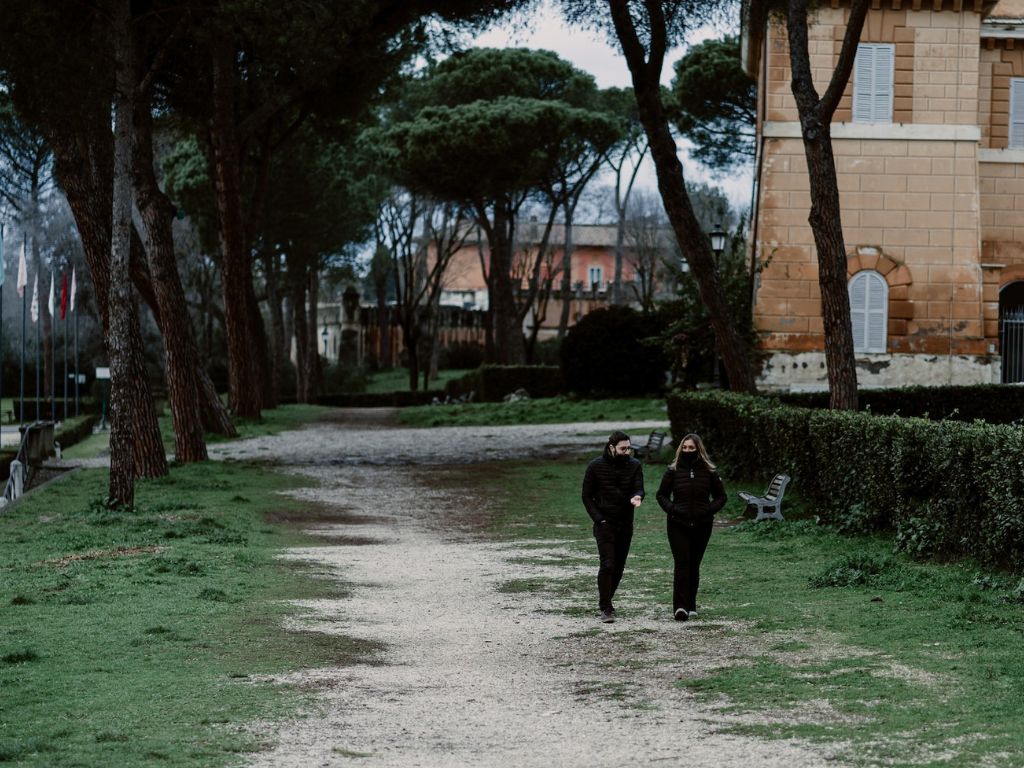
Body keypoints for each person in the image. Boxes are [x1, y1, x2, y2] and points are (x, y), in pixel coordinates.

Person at [655, 433, 726, 622]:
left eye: (691, 448)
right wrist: (672, 509)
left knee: (694, 564)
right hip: (678, 523)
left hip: (702, 524)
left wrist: (708, 510)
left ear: (698, 450)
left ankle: (691, 604)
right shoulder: (673, 470)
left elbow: (721, 497)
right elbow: (661, 495)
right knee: (682, 563)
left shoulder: (710, 472)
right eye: (684, 448)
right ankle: (680, 607)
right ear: (680, 450)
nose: (687, 451)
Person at [581, 430, 645, 623]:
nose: (627, 452)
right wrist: (598, 519)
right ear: (611, 447)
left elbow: (639, 488)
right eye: (623, 448)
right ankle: (606, 607)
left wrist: (638, 496)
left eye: (629, 448)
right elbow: (586, 496)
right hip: (604, 523)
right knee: (607, 564)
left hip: (625, 522)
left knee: (619, 566)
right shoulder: (595, 466)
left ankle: (608, 599)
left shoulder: (635, 465)